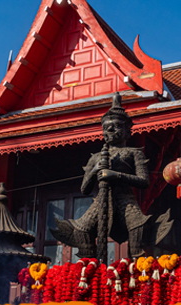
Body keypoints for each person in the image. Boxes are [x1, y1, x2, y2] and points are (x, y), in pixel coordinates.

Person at [52, 93, 171, 259]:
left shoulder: (133, 153)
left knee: (138, 228)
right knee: (81, 230)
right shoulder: (96, 157)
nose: (110, 130)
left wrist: (116, 175)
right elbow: (85, 189)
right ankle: (89, 267)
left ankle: (137, 268)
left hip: (125, 198)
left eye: (116, 126)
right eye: (106, 127)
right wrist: (94, 171)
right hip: (101, 199)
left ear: (127, 131)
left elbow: (144, 181)